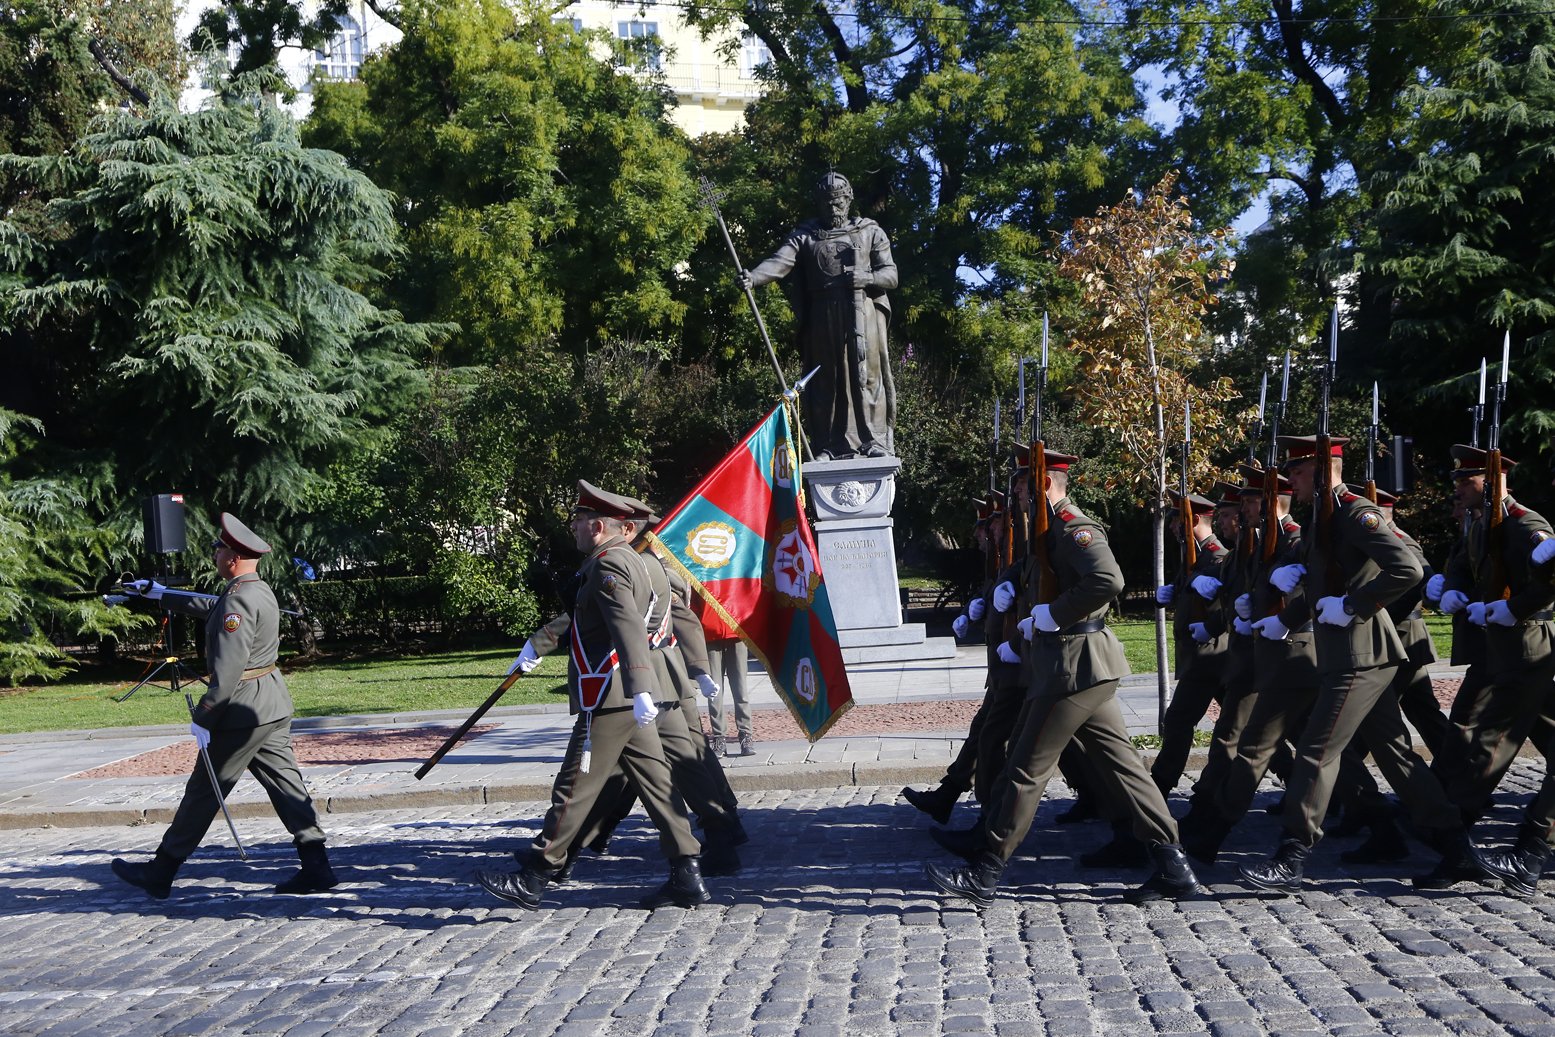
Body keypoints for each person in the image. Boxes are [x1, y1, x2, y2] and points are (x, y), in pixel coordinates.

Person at [924, 448, 1204, 906]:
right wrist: (1012, 582)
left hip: (1073, 666)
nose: (1016, 499)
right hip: (1081, 667)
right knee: (1127, 771)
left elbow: (1107, 581)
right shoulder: (1048, 532)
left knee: (1025, 769)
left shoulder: (1075, 527)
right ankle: (1174, 866)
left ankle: (986, 870)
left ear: (1045, 485)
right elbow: (1037, 568)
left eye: (1020, 489)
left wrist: (1052, 615)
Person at [1238, 435, 1465, 894]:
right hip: (1352, 654)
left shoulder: (1355, 512)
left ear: (1322, 472)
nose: (1290, 482)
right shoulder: (1323, 520)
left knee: (1317, 751)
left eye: (1297, 473)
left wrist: (1355, 604)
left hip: (1361, 655)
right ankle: (1460, 850)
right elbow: (1319, 583)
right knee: (1396, 756)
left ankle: (1293, 851)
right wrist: (1284, 619)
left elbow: (1408, 568)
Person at [477, 482, 707, 911]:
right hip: (624, 697)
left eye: (579, 522)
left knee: (574, 787)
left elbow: (627, 626)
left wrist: (640, 687)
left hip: (609, 692)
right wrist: (540, 645)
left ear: (599, 526)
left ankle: (536, 875)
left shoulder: (609, 566)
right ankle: (686, 871)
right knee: (658, 787)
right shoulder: (623, 560)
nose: (574, 529)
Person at [111, 513, 336, 899]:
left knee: (203, 792)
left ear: (231, 557)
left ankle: (161, 870)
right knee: (287, 786)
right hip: (271, 704)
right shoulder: (256, 590)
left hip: (240, 712)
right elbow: (212, 605)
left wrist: (205, 713)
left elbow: (228, 669)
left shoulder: (237, 600)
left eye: (217, 550)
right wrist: (159, 593)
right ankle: (316, 865)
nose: (213, 555)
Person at [738, 172, 898, 460]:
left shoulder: (869, 230)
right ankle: (829, 444)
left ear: (848, 200)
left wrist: (867, 277)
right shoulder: (806, 235)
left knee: (866, 375)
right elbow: (779, 262)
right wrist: (753, 277)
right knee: (826, 380)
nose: (832, 210)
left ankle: (873, 441)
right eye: (826, 204)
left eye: (837, 203)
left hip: (863, 312)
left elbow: (891, 274)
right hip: (823, 315)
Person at [705, 637, 755, 757]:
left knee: (740, 689)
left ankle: (745, 734)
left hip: (735, 633)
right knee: (714, 693)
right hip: (710, 634)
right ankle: (719, 737)